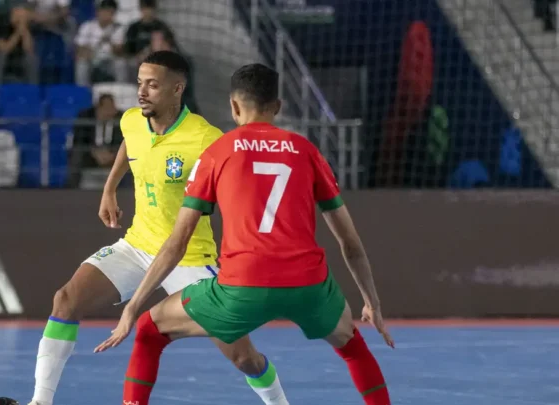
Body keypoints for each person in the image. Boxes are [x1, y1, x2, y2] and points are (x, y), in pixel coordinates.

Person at [95, 63, 395, 405]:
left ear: (234, 107)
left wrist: (133, 307)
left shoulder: (217, 152)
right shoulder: (306, 151)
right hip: (308, 285)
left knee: (150, 332)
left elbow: (177, 243)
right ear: (278, 107)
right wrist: (372, 302)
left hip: (242, 287)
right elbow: (350, 244)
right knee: (354, 348)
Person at [28, 51, 290, 405]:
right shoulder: (133, 120)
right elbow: (130, 144)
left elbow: (241, 188)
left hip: (190, 257)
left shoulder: (205, 138)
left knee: (242, 355)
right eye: (139, 83)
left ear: (177, 89)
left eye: (152, 85)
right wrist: (109, 187)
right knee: (66, 300)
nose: (142, 92)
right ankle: (39, 402)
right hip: (138, 245)